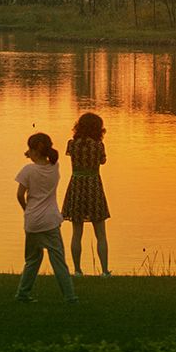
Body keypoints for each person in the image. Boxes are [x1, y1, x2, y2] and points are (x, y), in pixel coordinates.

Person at [14, 131, 77, 304]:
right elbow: (46, 159)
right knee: (58, 261)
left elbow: (19, 195)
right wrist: (34, 153)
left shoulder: (27, 171)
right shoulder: (54, 167)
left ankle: (23, 293)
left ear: (34, 150)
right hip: (51, 221)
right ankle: (70, 296)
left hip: (33, 221)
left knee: (32, 260)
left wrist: (26, 210)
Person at [62, 111, 111, 276]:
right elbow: (102, 161)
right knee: (101, 233)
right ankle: (104, 271)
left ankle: (77, 270)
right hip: (93, 185)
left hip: (76, 185)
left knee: (77, 233)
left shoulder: (72, 144)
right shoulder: (98, 146)